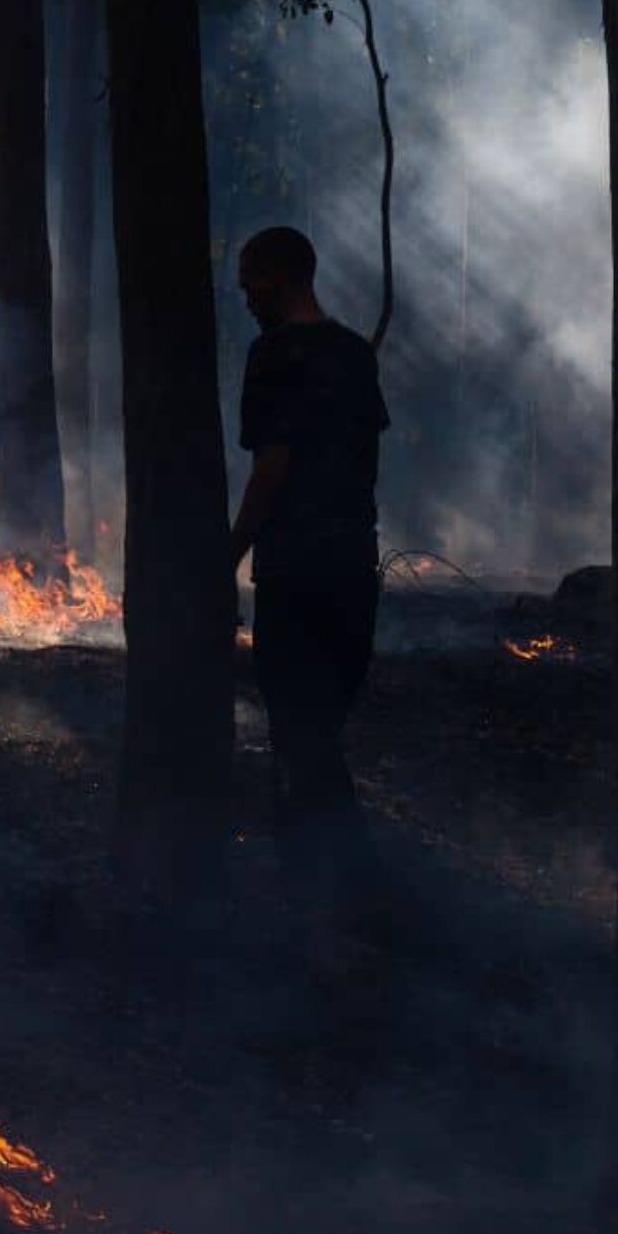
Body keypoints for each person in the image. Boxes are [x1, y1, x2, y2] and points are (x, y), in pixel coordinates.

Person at [228, 226, 390, 930]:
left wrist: (228, 552)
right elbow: (364, 460)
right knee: (316, 732)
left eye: (250, 281)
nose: (244, 295)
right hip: (355, 570)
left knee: (303, 737)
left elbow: (272, 469)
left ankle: (345, 897)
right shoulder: (355, 354)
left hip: (296, 571)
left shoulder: (273, 356)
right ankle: (320, 887)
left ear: (283, 278)